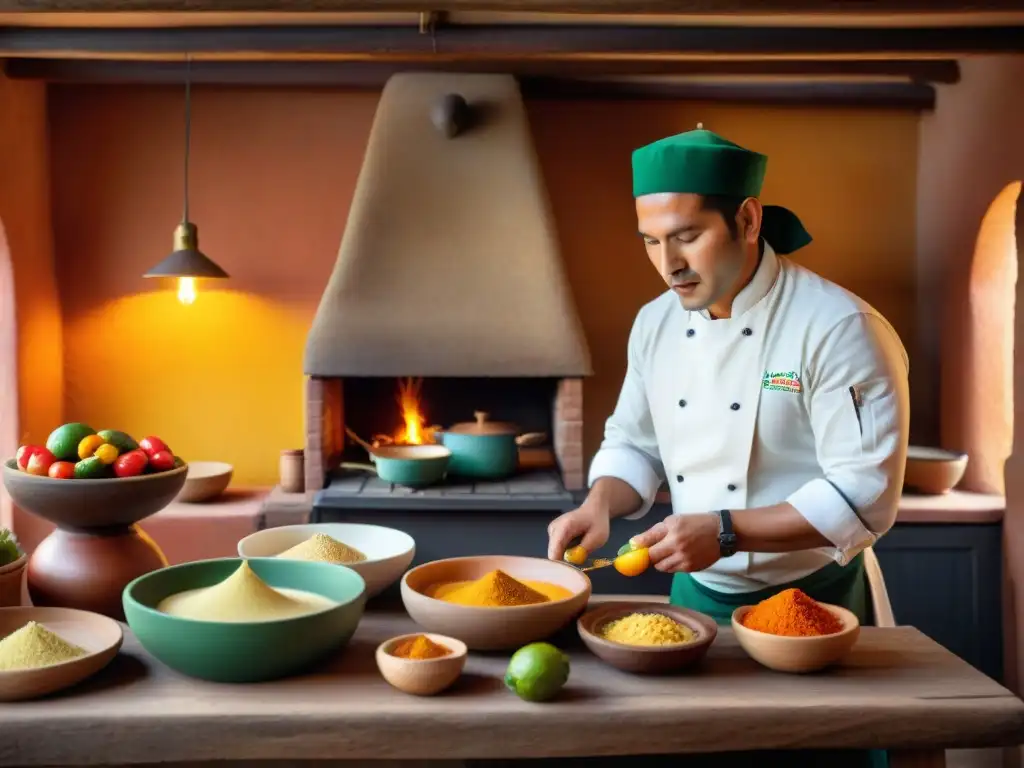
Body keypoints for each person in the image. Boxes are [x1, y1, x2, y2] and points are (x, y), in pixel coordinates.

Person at [547, 125, 910, 628]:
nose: (668, 264)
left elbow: (864, 495)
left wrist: (725, 531)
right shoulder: (655, 322)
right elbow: (635, 444)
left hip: (814, 603)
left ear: (747, 219)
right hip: (692, 597)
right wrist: (599, 505)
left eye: (687, 236)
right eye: (651, 241)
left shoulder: (839, 328)